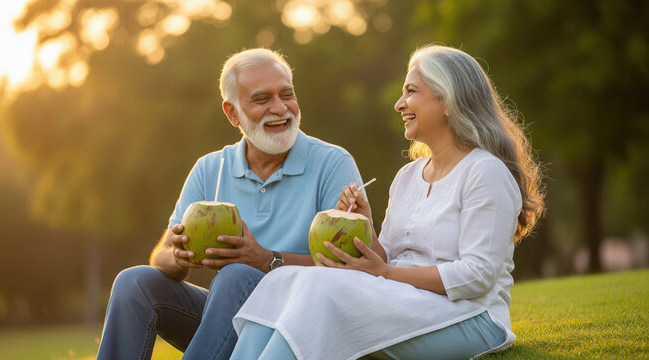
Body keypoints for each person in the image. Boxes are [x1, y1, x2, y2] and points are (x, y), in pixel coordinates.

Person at [230, 45, 545, 360]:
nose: (400, 103)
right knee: (284, 278)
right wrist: (365, 229)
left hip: (470, 318)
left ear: (448, 100)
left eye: (411, 91)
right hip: (403, 301)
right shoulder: (407, 176)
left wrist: (385, 273)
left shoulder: (485, 171)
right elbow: (388, 259)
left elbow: (478, 275)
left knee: (320, 289)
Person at [96, 48, 365, 360]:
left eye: (286, 95)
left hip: (298, 325)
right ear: (232, 113)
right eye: (262, 99)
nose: (280, 108)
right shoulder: (211, 168)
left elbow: (353, 267)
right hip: (229, 320)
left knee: (237, 274)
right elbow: (162, 255)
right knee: (134, 282)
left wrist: (267, 260)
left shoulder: (332, 163)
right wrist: (179, 256)